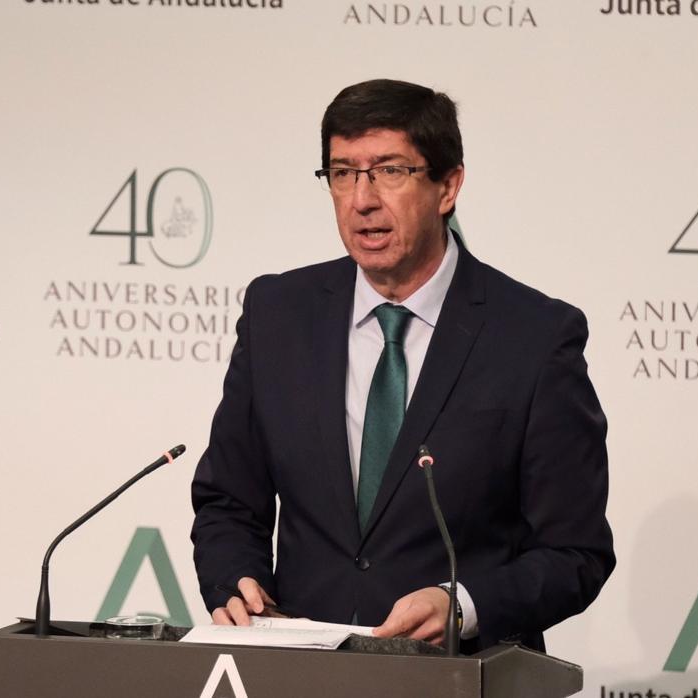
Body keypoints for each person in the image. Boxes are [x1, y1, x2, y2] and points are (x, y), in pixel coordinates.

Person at [190, 78, 615, 653]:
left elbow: (575, 553)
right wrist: (233, 579)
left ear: (448, 186)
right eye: (342, 173)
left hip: (459, 677)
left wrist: (462, 603)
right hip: (301, 676)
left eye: (390, 171)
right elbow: (228, 500)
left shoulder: (535, 337)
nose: (362, 199)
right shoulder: (278, 314)